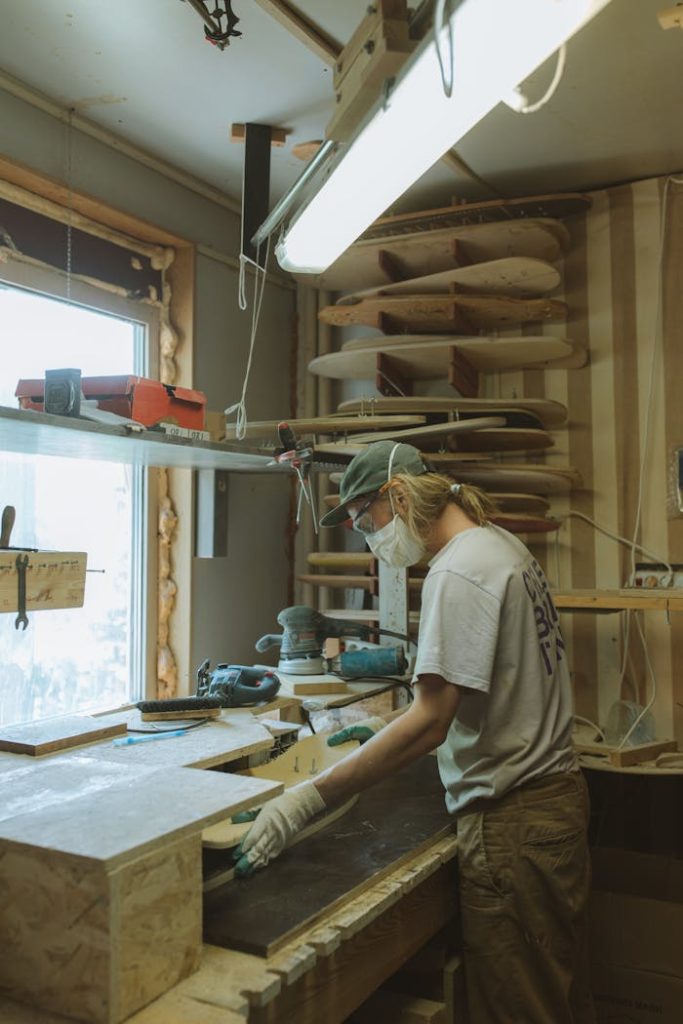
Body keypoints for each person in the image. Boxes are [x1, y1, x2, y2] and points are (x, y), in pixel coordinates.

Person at [234, 440, 595, 1024]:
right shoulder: (500, 546)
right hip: (550, 807)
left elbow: (432, 722)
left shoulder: (459, 570)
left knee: (522, 1009)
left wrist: (306, 800)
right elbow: (462, 695)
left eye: (364, 519)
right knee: (557, 996)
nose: (365, 537)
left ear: (397, 496)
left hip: (514, 823)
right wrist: (384, 722)